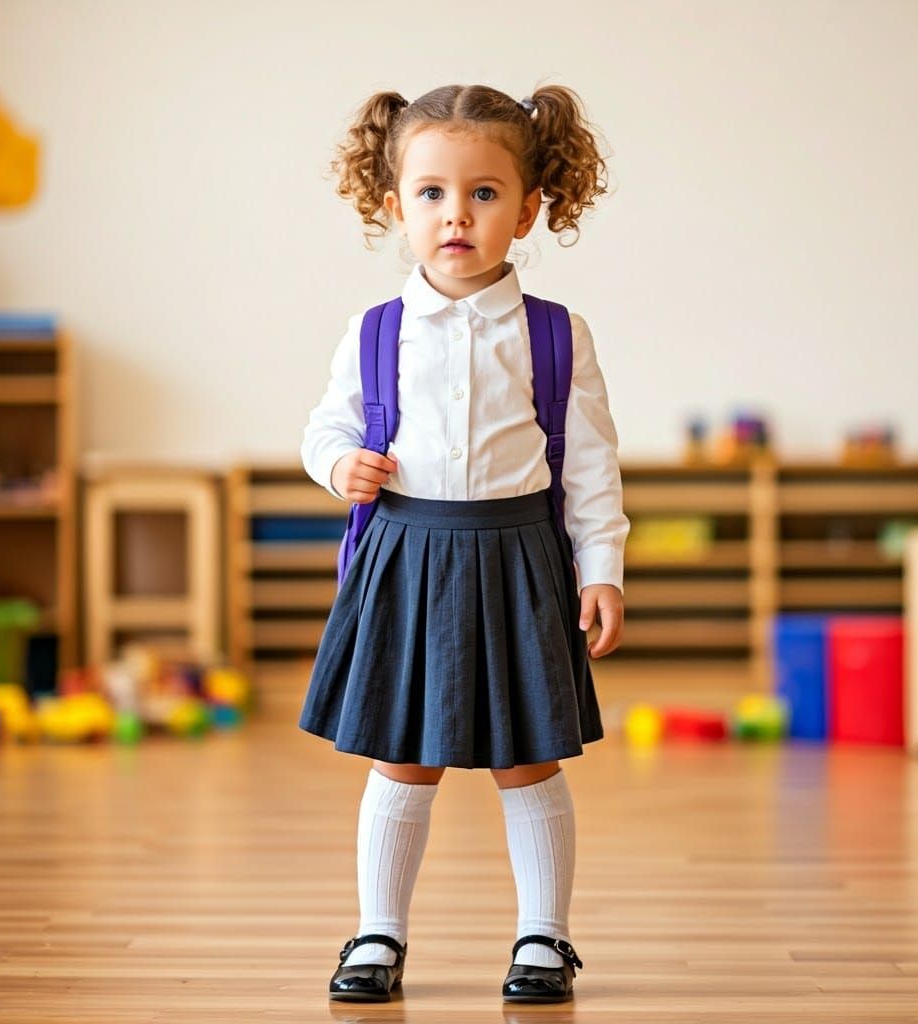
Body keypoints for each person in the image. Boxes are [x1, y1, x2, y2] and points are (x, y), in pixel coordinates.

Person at [298, 83, 629, 1005]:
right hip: (407, 560)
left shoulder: (556, 335)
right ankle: (378, 932)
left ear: (526, 211)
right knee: (402, 759)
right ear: (395, 206)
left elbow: (591, 468)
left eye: (484, 193)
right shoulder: (375, 331)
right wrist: (340, 465)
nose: (457, 214)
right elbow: (326, 429)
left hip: (520, 561)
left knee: (529, 760)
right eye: (433, 193)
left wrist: (601, 571)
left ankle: (544, 937)